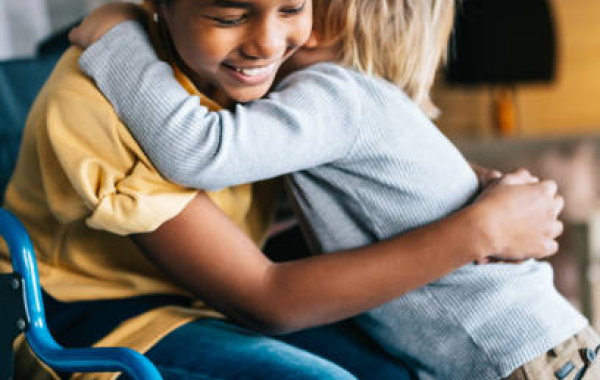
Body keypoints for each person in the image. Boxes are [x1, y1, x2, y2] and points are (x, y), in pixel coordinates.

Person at [0, 1, 565, 380]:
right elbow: (266, 297)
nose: (267, 42)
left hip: (215, 297)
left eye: (292, 7)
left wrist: (479, 189)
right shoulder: (101, 108)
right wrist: (478, 230)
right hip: (97, 315)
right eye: (230, 14)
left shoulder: (270, 83)